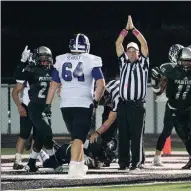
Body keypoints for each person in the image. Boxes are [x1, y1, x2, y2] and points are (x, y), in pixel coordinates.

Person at [44, 33, 105, 178]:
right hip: (83, 103)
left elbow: (53, 85)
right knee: (79, 138)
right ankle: (73, 166)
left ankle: (80, 164)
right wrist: (96, 100)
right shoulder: (91, 60)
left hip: (66, 104)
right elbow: (101, 84)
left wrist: (48, 105)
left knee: (76, 137)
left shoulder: (61, 59)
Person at [152, 47, 191, 178]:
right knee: (186, 140)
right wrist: (155, 81)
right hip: (174, 108)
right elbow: (157, 91)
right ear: (178, 60)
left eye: (189, 61)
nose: (186, 64)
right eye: (184, 61)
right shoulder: (170, 70)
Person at [15, 46, 58, 172]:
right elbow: (18, 77)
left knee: (39, 138)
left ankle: (31, 164)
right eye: (42, 56)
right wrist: (22, 61)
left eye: (47, 56)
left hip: (46, 107)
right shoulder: (32, 69)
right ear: (36, 58)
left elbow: (60, 81)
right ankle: (53, 160)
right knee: (48, 134)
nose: (45, 59)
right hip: (34, 108)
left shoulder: (53, 70)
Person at [115, 15, 149, 171]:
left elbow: (144, 43)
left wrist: (133, 30)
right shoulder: (123, 63)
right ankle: (123, 162)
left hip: (137, 105)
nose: (130, 53)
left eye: (133, 50)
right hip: (123, 104)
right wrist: (124, 30)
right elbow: (117, 43)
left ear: (138, 53)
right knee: (122, 135)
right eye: (128, 50)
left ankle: (136, 162)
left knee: (136, 136)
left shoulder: (143, 64)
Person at [151, 44, 184, 166]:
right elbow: (157, 91)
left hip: (186, 103)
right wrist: (155, 83)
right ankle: (157, 156)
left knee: (190, 132)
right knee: (166, 131)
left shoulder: (190, 68)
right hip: (172, 104)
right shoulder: (167, 68)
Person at [89, 79, 120, 166]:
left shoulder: (116, 96)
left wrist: (96, 133)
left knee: (125, 132)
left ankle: (114, 153)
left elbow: (110, 121)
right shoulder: (105, 89)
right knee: (106, 135)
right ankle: (105, 154)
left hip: (126, 107)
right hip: (112, 104)